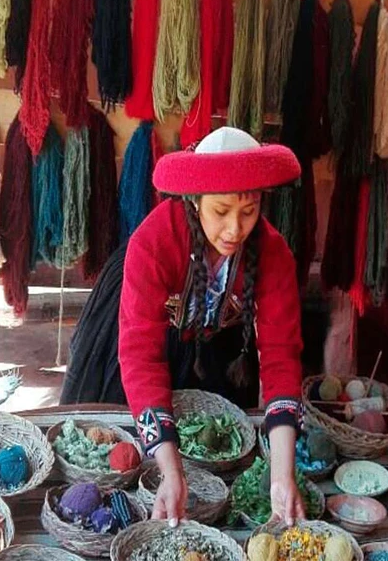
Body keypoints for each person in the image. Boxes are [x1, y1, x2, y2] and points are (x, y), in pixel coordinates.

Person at [116, 127, 306, 527]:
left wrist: (282, 476)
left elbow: (280, 356)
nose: (235, 229)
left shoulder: (273, 253)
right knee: (127, 472)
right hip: (151, 340)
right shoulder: (151, 243)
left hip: (218, 348)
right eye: (221, 211)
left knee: (223, 464)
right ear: (194, 200)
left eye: (249, 211)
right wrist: (170, 470)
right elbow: (140, 354)